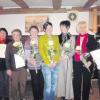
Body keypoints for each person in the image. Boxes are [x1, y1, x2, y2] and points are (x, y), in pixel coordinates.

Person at [73, 21, 97, 100]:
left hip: (87, 62)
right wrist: (74, 51)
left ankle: (85, 98)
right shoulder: (75, 37)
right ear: (78, 28)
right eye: (81, 27)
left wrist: (90, 59)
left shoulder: (91, 37)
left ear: (86, 28)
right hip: (77, 61)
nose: (82, 29)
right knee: (76, 81)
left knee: (86, 82)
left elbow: (94, 49)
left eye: (84, 27)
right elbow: (72, 49)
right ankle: (77, 98)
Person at [39, 22, 60, 100]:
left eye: (51, 27)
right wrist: (48, 63)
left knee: (54, 85)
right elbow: (41, 51)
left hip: (55, 64)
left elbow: (58, 50)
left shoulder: (55, 37)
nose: (49, 29)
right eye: (47, 28)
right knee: (48, 85)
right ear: (44, 29)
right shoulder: (41, 38)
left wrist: (55, 61)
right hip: (46, 65)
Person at [6, 29, 27, 100]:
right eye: (14, 35)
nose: (15, 36)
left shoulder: (24, 43)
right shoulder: (9, 45)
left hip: (23, 68)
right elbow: (7, 58)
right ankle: (14, 97)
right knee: (14, 85)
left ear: (20, 36)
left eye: (17, 34)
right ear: (12, 36)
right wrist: (8, 68)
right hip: (14, 68)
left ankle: (22, 97)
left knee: (23, 84)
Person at [56, 20, 75, 100]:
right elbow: (55, 49)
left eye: (64, 26)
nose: (62, 28)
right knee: (60, 77)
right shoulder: (57, 37)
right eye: (61, 26)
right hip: (60, 60)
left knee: (68, 77)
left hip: (67, 60)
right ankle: (61, 93)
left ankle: (67, 95)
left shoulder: (72, 37)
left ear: (68, 27)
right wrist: (57, 56)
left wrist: (69, 55)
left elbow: (73, 50)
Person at [24, 26, 44, 100]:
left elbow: (43, 52)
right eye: (32, 31)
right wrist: (31, 60)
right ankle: (36, 98)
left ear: (38, 32)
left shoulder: (41, 40)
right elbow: (26, 54)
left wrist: (39, 60)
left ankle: (41, 98)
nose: (34, 32)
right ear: (30, 32)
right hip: (32, 66)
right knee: (35, 83)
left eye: (35, 31)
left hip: (42, 65)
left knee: (41, 83)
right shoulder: (27, 41)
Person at [0, 28, 10, 100]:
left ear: (6, 34)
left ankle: (6, 95)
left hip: (7, 64)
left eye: (4, 33)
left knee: (6, 80)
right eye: (1, 33)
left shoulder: (9, 42)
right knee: (0, 80)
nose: (2, 34)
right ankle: (1, 95)